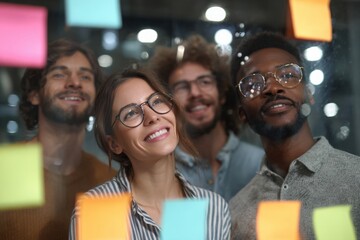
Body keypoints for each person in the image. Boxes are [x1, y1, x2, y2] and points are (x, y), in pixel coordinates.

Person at [68, 67, 231, 239]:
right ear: (114, 144)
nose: (152, 116)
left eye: (156, 101)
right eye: (131, 113)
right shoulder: (96, 212)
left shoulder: (213, 208)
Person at [229, 31, 360, 239]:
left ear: (308, 94)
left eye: (287, 75)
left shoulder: (355, 179)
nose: (273, 88)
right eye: (253, 84)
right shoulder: (236, 213)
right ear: (242, 114)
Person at [0, 39, 116, 240]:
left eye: (85, 77)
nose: (75, 83)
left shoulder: (109, 180)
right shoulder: (4, 169)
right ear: (34, 94)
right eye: (59, 74)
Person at [148, 35, 264, 202]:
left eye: (204, 82)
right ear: (168, 103)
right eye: (182, 87)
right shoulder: (158, 173)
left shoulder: (258, 163)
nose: (195, 93)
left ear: (222, 93)